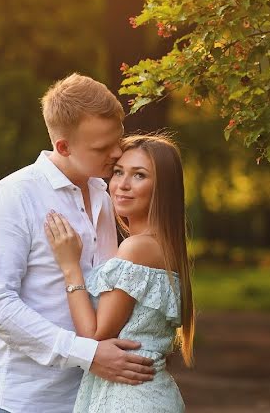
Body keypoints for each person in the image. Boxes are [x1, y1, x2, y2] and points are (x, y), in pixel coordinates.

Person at [0, 74, 156, 413]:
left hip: (90, 400)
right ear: (63, 147)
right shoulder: (11, 198)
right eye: (102, 148)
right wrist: (86, 354)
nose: (117, 154)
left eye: (118, 140)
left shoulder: (105, 195)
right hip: (22, 402)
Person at [44, 134, 195, 412]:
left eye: (139, 175)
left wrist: (70, 267)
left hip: (131, 400)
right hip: (143, 394)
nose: (122, 185)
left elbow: (94, 336)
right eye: (118, 172)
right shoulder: (162, 246)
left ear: (163, 188)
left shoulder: (138, 248)